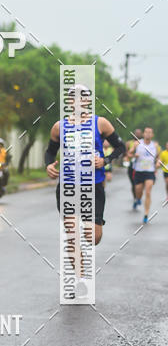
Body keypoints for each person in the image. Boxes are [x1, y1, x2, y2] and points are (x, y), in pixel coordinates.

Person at [45, 87, 125, 290]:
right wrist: (49, 165)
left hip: (93, 187)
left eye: (83, 97)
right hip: (68, 186)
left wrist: (105, 160)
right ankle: (81, 280)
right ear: (69, 102)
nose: (78, 101)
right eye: (74, 98)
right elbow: (50, 151)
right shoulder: (59, 127)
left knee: (93, 237)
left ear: (89, 101)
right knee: (72, 233)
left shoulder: (101, 123)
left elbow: (121, 148)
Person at [127, 126, 161, 223]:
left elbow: (158, 158)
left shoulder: (155, 145)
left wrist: (158, 163)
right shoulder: (137, 143)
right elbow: (129, 155)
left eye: (150, 132)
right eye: (146, 132)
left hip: (150, 172)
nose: (148, 134)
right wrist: (134, 155)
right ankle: (137, 198)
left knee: (148, 192)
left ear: (152, 135)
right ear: (143, 134)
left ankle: (146, 214)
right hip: (138, 171)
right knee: (138, 190)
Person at [125, 128, 143, 208]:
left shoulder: (143, 143)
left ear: (141, 134)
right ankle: (135, 198)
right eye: (136, 133)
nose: (137, 135)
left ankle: (138, 197)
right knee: (133, 184)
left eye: (139, 133)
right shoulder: (129, 143)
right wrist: (133, 156)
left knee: (140, 184)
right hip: (132, 166)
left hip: (142, 166)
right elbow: (127, 155)